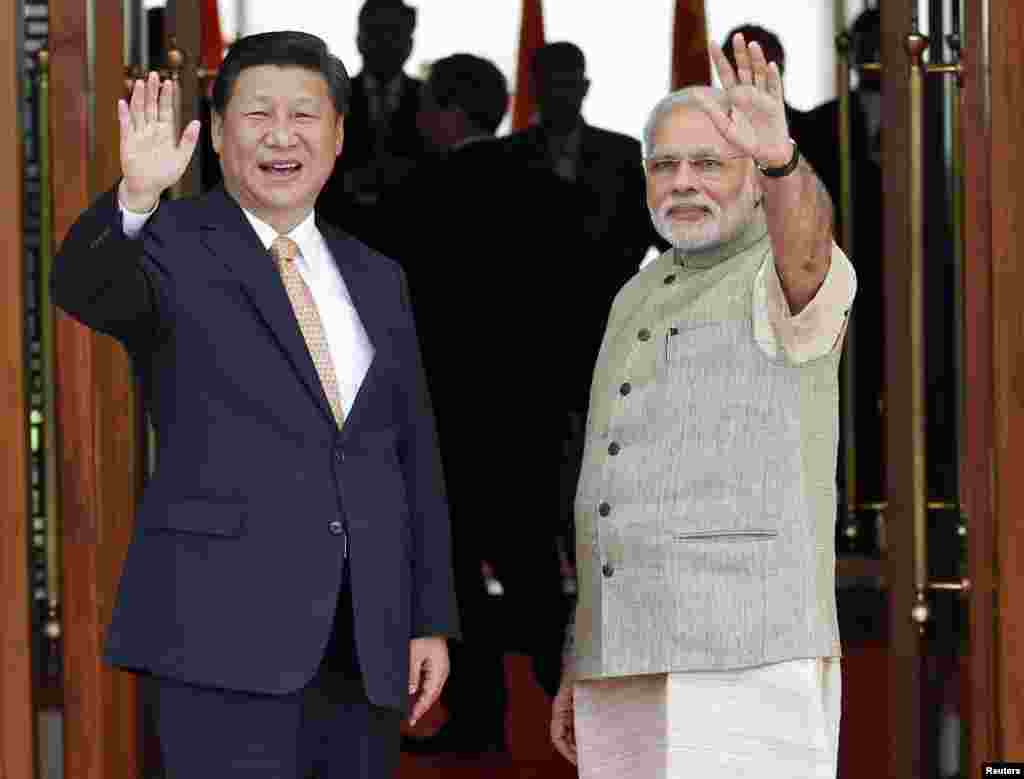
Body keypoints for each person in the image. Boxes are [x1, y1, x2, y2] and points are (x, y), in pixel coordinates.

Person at [50, 31, 457, 778]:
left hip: (363, 643)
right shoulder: (170, 243)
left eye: (305, 115)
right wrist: (135, 197)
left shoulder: (377, 275)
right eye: (257, 113)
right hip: (220, 638)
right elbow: (84, 287)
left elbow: (409, 453)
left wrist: (427, 615)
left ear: (338, 133)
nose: (281, 135)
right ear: (217, 124)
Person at [550, 33, 855, 778]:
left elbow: (809, 242)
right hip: (621, 651)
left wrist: (783, 156)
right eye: (665, 165)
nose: (683, 182)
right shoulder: (637, 290)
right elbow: (614, 487)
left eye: (710, 163)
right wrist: (577, 652)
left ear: (755, 179)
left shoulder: (787, 270)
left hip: (744, 650)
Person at [317, 0, 428, 243]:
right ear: (359, 39)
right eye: (376, 32)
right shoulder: (330, 98)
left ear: (409, 44)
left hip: (413, 237)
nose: (385, 43)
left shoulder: (431, 100)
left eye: (394, 33)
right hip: (340, 235)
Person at [720, 24, 814, 150]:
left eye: (768, 69)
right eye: (749, 71)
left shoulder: (816, 131)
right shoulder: (712, 136)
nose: (760, 82)